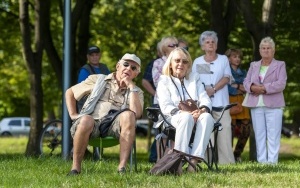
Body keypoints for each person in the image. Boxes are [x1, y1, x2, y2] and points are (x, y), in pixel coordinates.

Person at [65, 53, 144, 175]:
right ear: (118, 66)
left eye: (133, 68)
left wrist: (131, 87)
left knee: (129, 115)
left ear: (136, 74)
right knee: (86, 120)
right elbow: (70, 92)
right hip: (92, 123)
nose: (128, 68)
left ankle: (122, 168)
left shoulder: (137, 92)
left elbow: (137, 114)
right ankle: (75, 168)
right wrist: (73, 114)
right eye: (126, 64)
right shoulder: (98, 79)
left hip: (115, 126)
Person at [156, 47, 215, 172]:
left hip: (195, 115)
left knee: (207, 117)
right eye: (177, 61)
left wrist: (202, 110)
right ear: (171, 64)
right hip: (172, 118)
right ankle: (178, 162)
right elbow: (165, 105)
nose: (180, 64)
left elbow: (205, 99)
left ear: (188, 65)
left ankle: (193, 162)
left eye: (184, 61)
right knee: (186, 117)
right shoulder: (164, 80)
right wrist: (183, 113)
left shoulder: (194, 78)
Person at [192, 31, 235, 164]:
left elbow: (227, 77)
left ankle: (226, 162)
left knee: (224, 132)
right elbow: (195, 81)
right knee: (205, 132)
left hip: (221, 103)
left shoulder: (223, 60)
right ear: (202, 46)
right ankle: (205, 161)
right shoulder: (198, 61)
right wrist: (205, 92)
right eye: (207, 42)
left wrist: (214, 89)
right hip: (204, 104)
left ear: (216, 45)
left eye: (213, 42)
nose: (210, 44)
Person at [243, 37, 287, 164]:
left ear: (273, 50)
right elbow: (246, 82)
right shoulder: (254, 65)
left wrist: (263, 88)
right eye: (263, 48)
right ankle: (262, 162)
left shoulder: (280, 65)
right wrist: (252, 87)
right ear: (260, 50)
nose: (266, 50)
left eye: (269, 48)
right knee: (259, 134)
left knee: (273, 135)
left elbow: (281, 84)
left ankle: (272, 163)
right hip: (256, 104)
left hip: (274, 105)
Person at [225, 48, 251, 162]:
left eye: (239, 57)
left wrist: (235, 85)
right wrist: (237, 87)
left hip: (242, 101)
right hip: (229, 101)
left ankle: (237, 154)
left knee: (246, 130)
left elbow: (247, 87)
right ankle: (228, 155)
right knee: (228, 130)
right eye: (234, 56)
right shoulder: (225, 71)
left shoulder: (244, 72)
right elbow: (226, 87)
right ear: (229, 58)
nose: (237, 59)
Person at [142, 41, 163, 163]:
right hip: (157, 100)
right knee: (159, 129)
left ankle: (157, 156)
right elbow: (145, 81)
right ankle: (154, 157)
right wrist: (155, 94)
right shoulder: (154, 64)